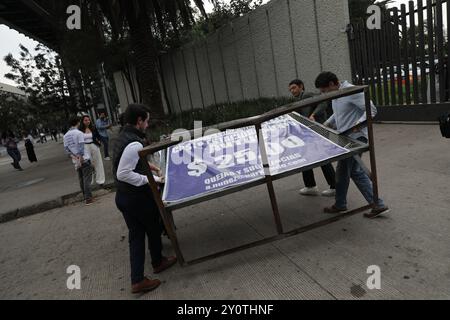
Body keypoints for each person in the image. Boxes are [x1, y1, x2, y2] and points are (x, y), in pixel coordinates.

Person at [113, 104, 176, 294]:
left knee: (137, 236)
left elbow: (131, 159)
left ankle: (137, 279)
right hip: (136, 198)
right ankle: (157, 262)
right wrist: (153, 179)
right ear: (139, 121)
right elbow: (123, 173)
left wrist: (151, 166)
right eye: (146, 120)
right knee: (153, 227)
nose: (147, 124)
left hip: (124, 198)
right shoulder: (135, 143)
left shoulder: (124, 136)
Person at [314, 71, 389, 219]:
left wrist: (357, 124)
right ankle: (344, 204)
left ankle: (375, 204)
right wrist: (327, 124)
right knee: (348, 171)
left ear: (331, 84)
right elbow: (339, 113)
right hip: (346, 138)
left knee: (348, 171)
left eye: (324, 91)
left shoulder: (350, 91)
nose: (324, 94)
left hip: (356, 137)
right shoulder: (336, 94)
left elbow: (371, 109)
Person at [288, 79, 336, 197]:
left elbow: (323, 102)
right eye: (290, 90)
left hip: (317, 131)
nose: (292, 91)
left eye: (294, 88)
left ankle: (334, 186)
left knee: (323, 159)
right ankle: (311, 186)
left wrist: (313, 114)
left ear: (301, 86)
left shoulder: (308, 95)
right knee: (306, 158)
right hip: (307, 133)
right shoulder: (296, 100)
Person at [63, 116, 94, 205]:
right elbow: (81, 146)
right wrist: (80, 157)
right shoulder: (79, 133)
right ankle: (88, 198)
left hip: (75, 160)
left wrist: (74, 157)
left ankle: (85, 196)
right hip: (83, 158)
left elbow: (66, 150)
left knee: (81, 179)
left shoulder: (65, 136)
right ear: (77, 123)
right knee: (87, 179)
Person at [79, 115, 105, 186]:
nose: (87, 121)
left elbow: (98, 136)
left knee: (98, 162)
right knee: (88, 164)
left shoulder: (93, 128)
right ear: (82, 121)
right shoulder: (80, 130)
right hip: (85, 147)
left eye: (88, 120)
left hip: (94, 145)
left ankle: (100, 180)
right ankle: (89, 181)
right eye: (85, 120)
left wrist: (99, 141)